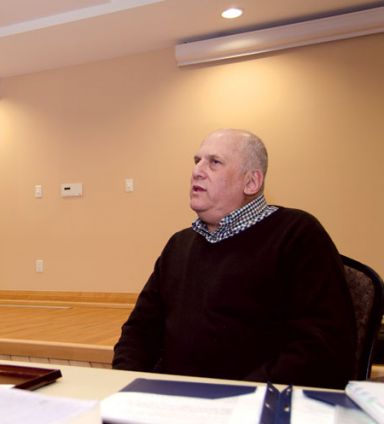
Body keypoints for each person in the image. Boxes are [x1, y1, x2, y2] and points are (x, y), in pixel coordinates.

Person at [112, 129, 356, 389]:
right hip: (176, 404)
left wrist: (241, 399)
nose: (197, 171)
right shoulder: (178, 245)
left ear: (251, 182)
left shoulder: (298, 235)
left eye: (214, 162)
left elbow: (321, 345)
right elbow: (139, 332)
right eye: (197, 161)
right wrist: (125, 386)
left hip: (258, 406)